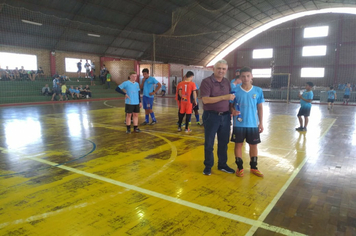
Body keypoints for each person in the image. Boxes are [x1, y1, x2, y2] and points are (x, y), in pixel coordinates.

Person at [200, 59, 235, 176]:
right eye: (219, 68)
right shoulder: (206, 82)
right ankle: (208, 165)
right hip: (211, 116)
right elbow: (205, 100)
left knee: (223, 143)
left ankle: (222, 164)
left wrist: (232, 110)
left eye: (223, 69)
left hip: (225, 116)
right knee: (209, 143)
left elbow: (230, 100)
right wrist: (224, 97)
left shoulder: (226, 82)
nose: (221, 71)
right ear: (213, 69)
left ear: (226, 70)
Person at [230, 67, 265, 177]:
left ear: (251, 76)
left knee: (253, 145)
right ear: (240, 77)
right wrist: (233, 111)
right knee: (238, 145)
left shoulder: (258, 90)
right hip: (239, 124)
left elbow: (260, 108)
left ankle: (254, 167)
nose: (246, 78)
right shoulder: (235, 91)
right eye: (243, 76)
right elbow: (230, 106)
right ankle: (239, 167)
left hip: (253, 124)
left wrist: (261, 123)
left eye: (248, 76)